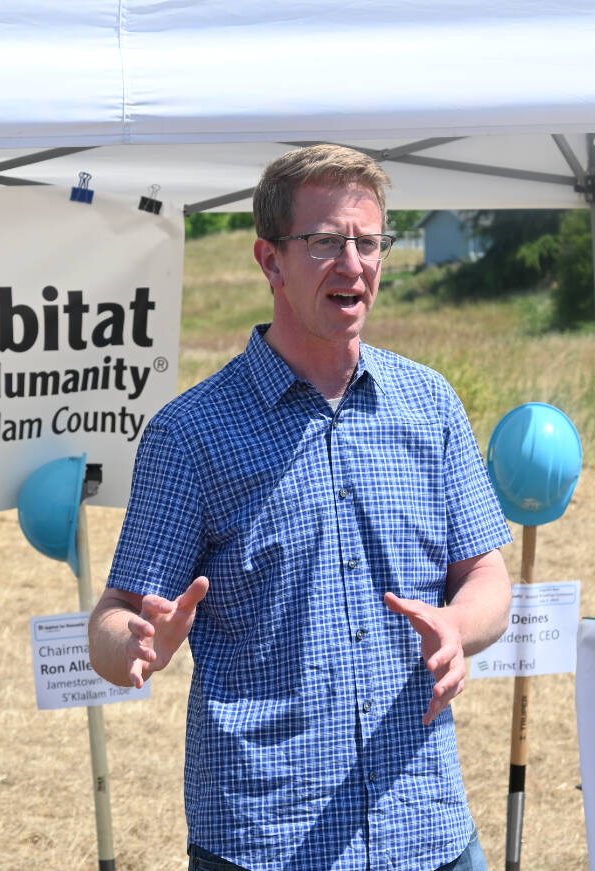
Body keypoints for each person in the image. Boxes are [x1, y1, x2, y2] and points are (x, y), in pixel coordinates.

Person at [88, 144, 514, 871]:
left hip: (426, 827)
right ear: (270, 260)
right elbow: (114, 617)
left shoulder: (430, 404)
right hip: (266, 838)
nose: (353, 262)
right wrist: (138, 643)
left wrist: (455, 625)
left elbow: (488, 578)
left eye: (368, 240)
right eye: (324, 241)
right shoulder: (192, 434)